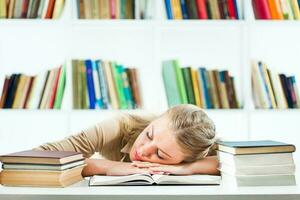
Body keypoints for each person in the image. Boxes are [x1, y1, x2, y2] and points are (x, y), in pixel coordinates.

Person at [34, 104, 219, 177]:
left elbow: (241, 160)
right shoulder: (119, 127)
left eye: (160, 155)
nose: (143, 150)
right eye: (149, 134)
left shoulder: (202, 145)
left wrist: (188, 168)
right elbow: (36, 157)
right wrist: (105, 166)